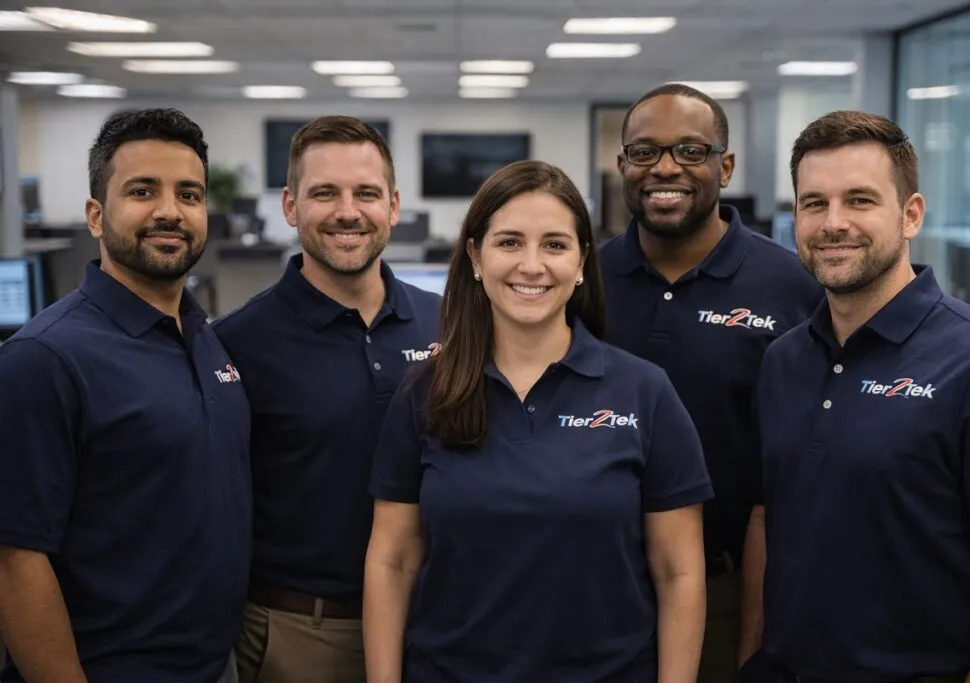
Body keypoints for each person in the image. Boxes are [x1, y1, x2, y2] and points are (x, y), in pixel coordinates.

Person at [363, 159, 712, 683]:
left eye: (554, 244)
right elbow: (392, 562)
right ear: (476, 257)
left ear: (580, 263)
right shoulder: (424, 394)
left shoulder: (644, 392)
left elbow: (679, 572)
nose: (532, 265)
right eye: (509, 243)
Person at [741, 110, 970, 683]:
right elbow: (769, 519)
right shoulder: (783, 360)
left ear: (910, 214)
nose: (833, 223)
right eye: (814, 203)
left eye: (860, 200)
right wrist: (751, 657)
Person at [0, 108, 249, 683]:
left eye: (188, 194)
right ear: (95, 214)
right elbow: (15, 561)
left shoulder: (205, 336)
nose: (170, 210)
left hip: (215, 665)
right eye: (142, 191)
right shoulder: (45, 358)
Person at [599, 82, 822, 681]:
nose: (665, 167)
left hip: (732, 589)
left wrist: (758, 626)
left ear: (724, 167)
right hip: (589, 584)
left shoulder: (794, 286)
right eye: (644, 152)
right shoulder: (581, 283)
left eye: (691, 151)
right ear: (623, 166)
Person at [212, 115, 440, 683]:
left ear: (392, 205)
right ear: (291, 207)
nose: (347, 211)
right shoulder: (235, 344)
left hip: (440, 620)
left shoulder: (452, 324)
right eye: (324, 193)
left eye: (365, 193)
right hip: (304, 632)